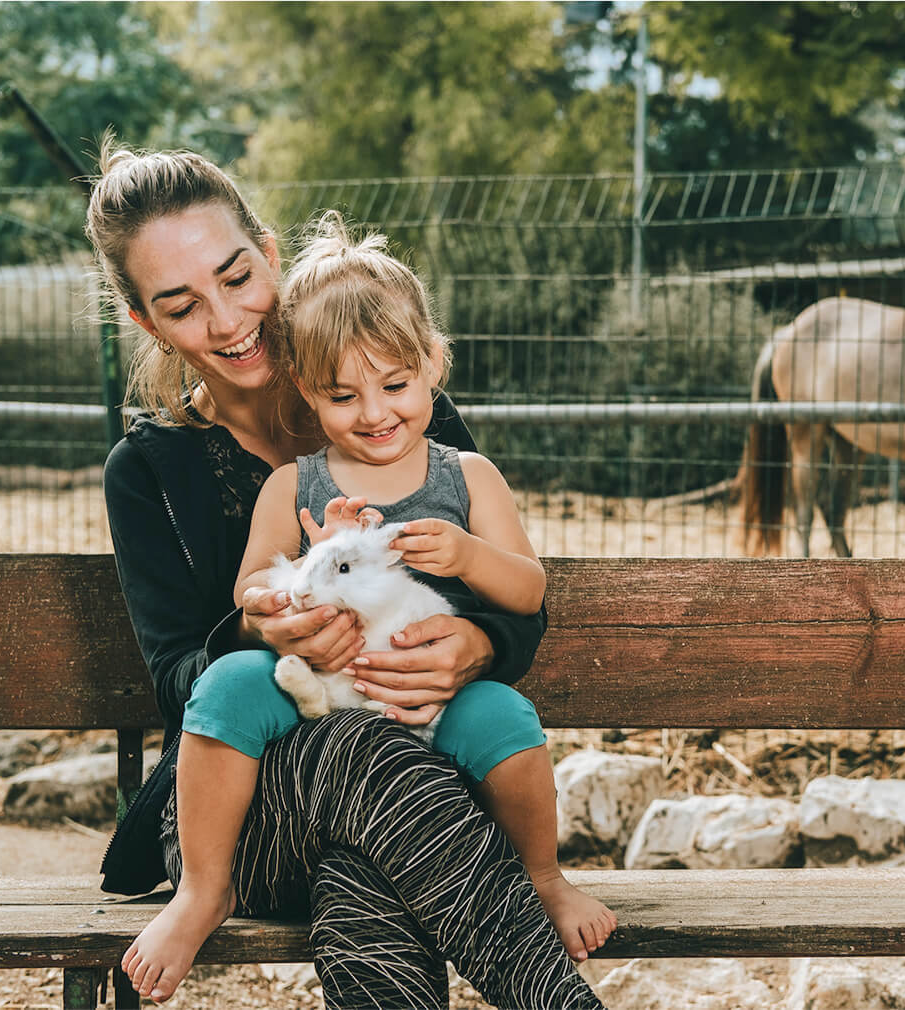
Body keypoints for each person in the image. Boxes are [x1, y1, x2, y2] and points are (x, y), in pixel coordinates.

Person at [89, 139, 605, 1009]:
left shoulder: (400, 413)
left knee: (369, 880)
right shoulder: (149, 470)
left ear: (270, 254)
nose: (225, 320)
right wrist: (263, 627)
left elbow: (508, 600)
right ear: (147, 323)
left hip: (406, 797)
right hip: (249, 816)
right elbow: (181, 679)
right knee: (370, 756)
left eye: (237, 276)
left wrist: (471, 647)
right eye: (181, 306)